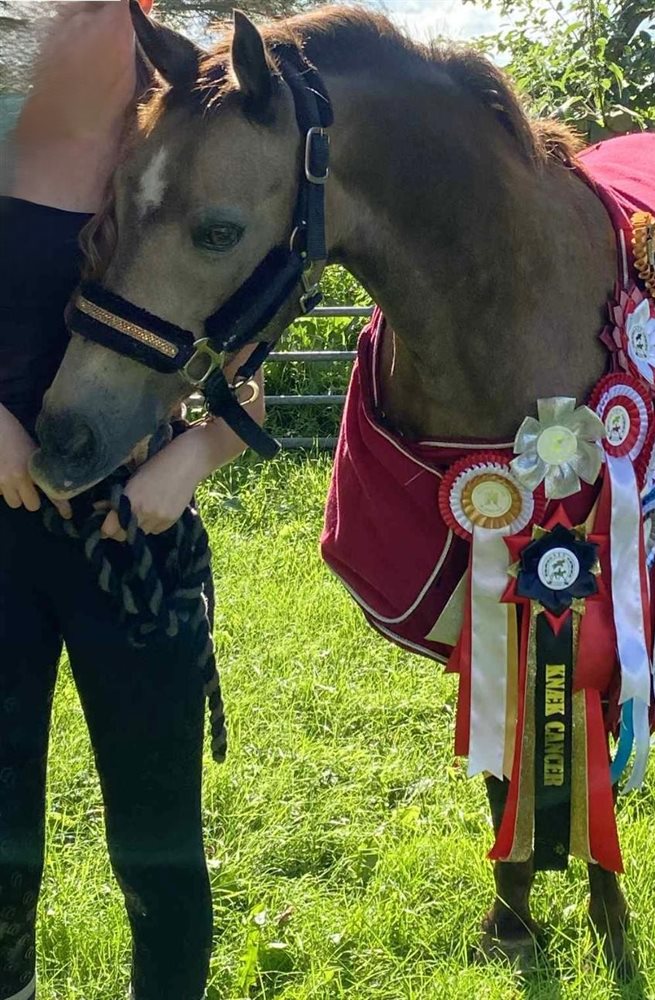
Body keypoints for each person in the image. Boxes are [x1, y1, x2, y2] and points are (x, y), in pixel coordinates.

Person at [0, 3, 264, 997]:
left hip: (133, 541)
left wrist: (188, 460)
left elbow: (244, 384)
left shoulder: (187, 144)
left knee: (159, 843)